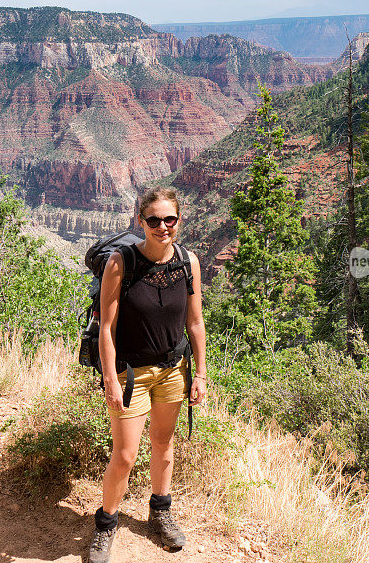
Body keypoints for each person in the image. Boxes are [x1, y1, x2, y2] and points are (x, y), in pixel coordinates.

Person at [88, 186, 207, 563]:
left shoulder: (189, 263)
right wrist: (109, 376)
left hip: (173, 369)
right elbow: (107, 327)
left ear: (179, 220)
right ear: (141, 221)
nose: (162, 226)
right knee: (124, 455)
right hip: (130, 373)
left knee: (164, 444)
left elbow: (195, 322)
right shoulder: (122, 263)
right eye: (153, 220)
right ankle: (106, 525)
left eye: (169, 219)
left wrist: (200, 373)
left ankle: (160, 511)